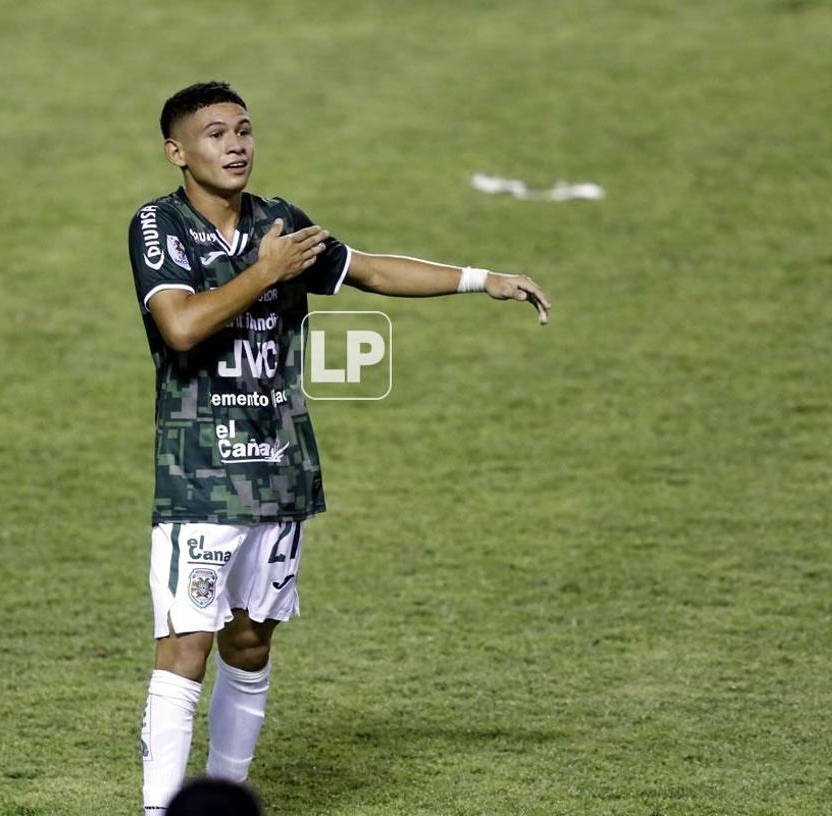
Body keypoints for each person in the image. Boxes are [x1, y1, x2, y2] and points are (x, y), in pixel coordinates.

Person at [129, 81, 550, 814]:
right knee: (186, 647)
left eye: (245, 130)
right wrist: (267, 271)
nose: (236, 145)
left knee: (251, 644)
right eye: (216, 134)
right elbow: (183, 327)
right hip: (199, 474)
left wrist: (485, 282)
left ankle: (227, 801)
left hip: (278, 471)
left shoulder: (280, 222)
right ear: (177, 152)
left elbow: (371, 270)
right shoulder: (157, 226)